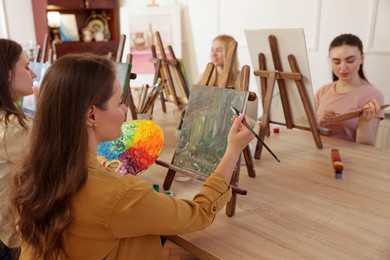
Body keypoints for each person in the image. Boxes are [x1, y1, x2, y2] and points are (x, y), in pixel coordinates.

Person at [9, 53, 254, 259]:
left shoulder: (32, 172)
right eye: (119, 103)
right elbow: (199, 213)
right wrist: (232, 149)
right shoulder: (121, 195)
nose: (126, 109)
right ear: (91, 115)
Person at [0, 39, 36, 259]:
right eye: (26, 66)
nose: (33, 74)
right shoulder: (15, 129)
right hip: (7, 241)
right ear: (7, 74)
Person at [314, 33, 385, 145]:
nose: (343, 68)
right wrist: (317, 123)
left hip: (349, 160)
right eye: (336, 62)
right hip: (319, 155)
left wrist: (364, 121)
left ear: (362, 59)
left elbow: (366, 148)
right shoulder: (323, 91)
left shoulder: (373, 96)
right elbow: (305, 135)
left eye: (350, 60)